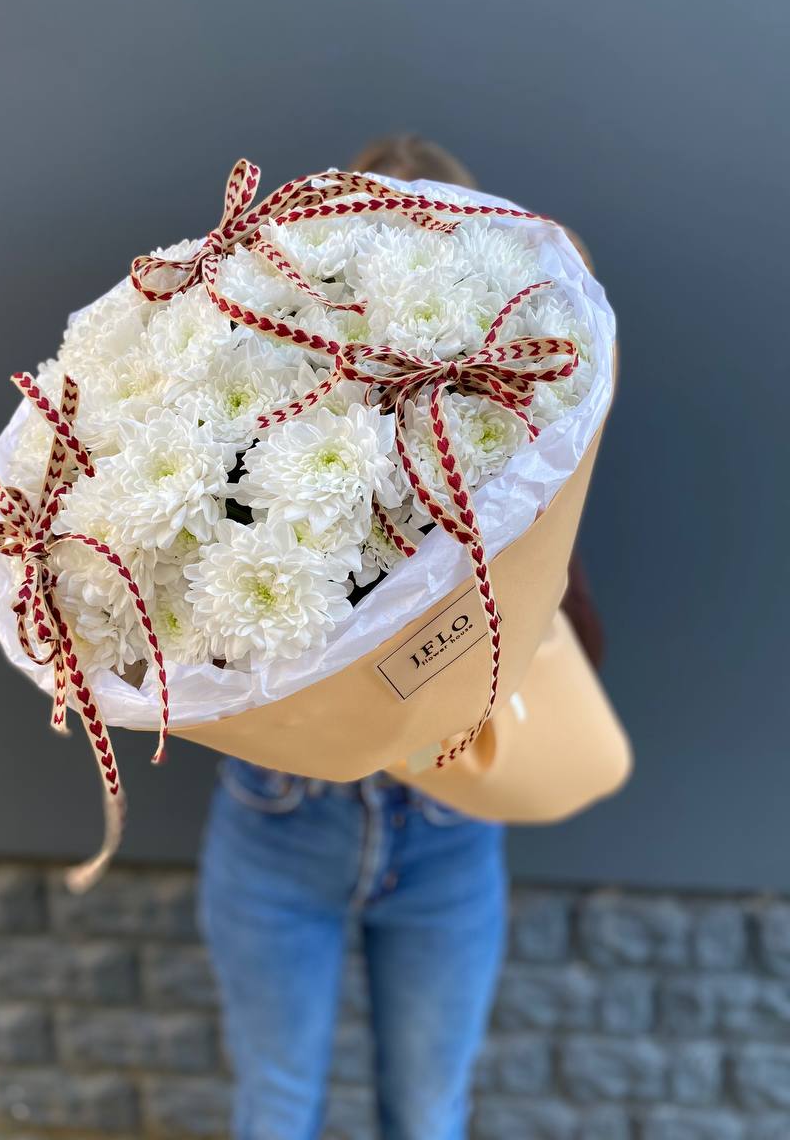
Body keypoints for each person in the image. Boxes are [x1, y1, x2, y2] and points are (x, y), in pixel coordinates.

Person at [198, 135, 602, 1140]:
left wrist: (513, 540)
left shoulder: (519, 452)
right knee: (277, 1105)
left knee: (427, 1113)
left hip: (448, 833)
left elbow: (581, 646)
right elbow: (205, 647)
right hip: (280, 821)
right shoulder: (261, 440)